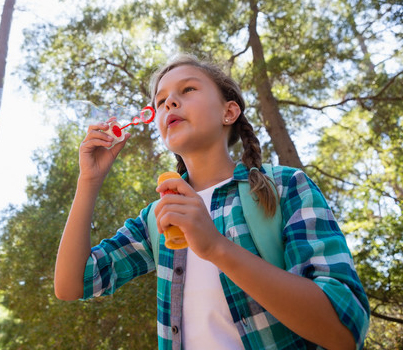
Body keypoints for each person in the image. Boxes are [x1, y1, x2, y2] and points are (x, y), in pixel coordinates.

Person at [54, 54, 370, 349]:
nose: (169, 103)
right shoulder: (158, 216)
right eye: (161, 101)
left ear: (229, 112)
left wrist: (215, 247)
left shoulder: (286, 185)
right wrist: (89, 180)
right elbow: (73, 284)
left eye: (187, 89)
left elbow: (345, 328)